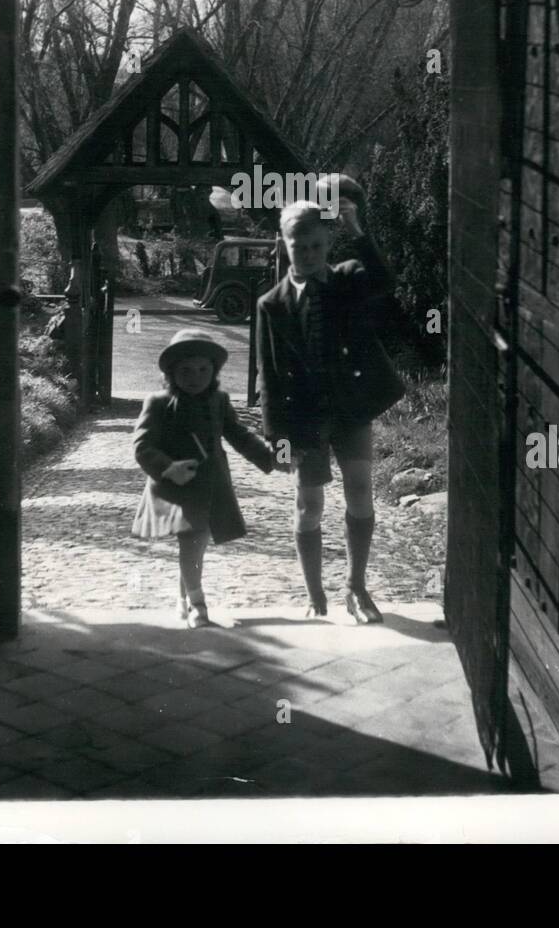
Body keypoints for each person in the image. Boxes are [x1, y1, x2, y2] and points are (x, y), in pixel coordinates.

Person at [256, 191, 406, 624]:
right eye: (297, 247)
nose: (307, 255)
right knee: (309, 505)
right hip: (304, 418)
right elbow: (268, 375)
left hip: (351, 408)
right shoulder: (271, 304)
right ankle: (314, 592)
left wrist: (357, 229)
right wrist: (278, 438)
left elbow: (384, 280)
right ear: (283, 244)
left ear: (328, 244)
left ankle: (356, 587)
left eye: (317, 246)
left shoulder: (347, 280)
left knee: (360, 492)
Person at [131, 328, 276, 627]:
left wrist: (272, 458)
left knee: (196, 545)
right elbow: (142, 446)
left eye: (202, 369)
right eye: (185, 370)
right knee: (193, 540)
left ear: (214, 371)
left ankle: (183, 597)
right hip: (177, 487)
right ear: (171, 373)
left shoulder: (219, 401)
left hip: (212, 485)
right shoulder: (158, 403)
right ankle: (198, 605)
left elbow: (239, 435)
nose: (195, 377)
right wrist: (168, 467)